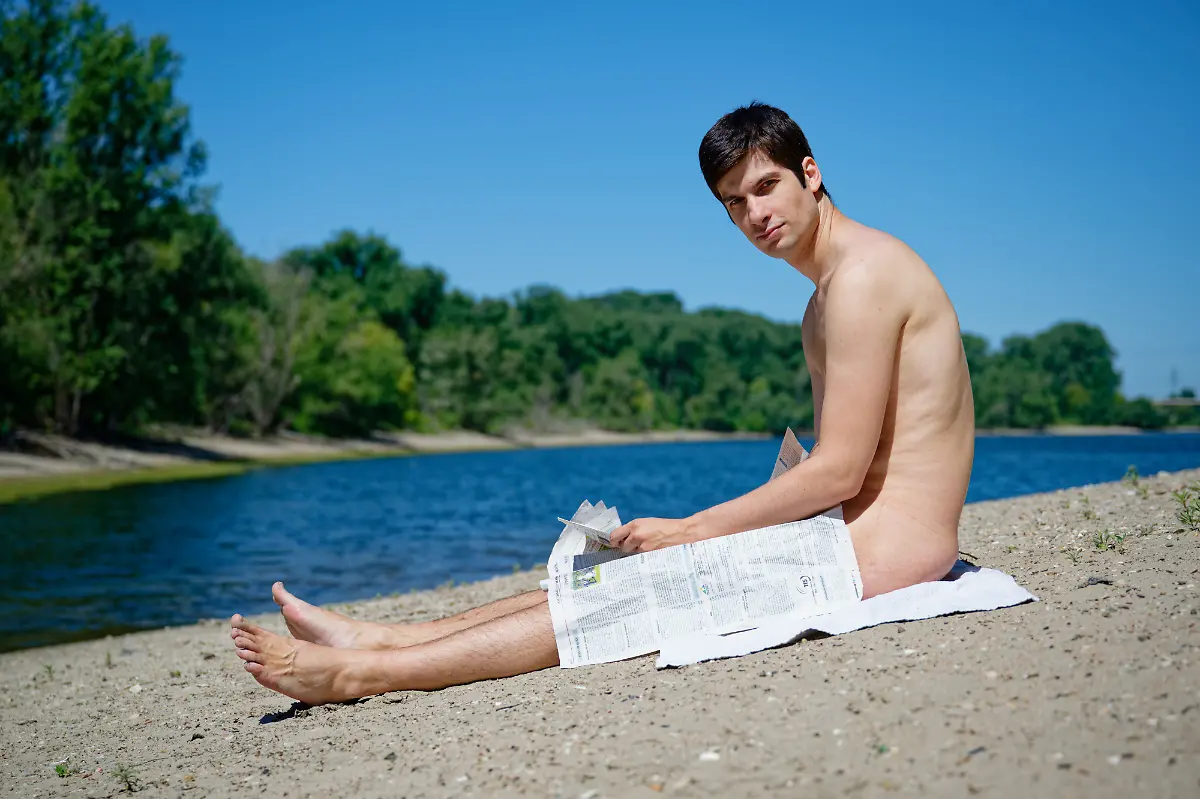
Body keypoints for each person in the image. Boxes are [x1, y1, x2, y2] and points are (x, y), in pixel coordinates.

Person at [230, 102, 975, 705]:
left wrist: (693, 529)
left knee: (642, 587)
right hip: (851, 531)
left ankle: (363, 674)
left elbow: (841, 470)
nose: (755, 214)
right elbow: (837, 466)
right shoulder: (823, 301)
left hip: (891, 547)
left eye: (767, 186)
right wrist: (708, 531)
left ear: (810, 173)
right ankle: (387, 638)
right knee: (613, 574)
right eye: (734, 203)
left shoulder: (862, 278)